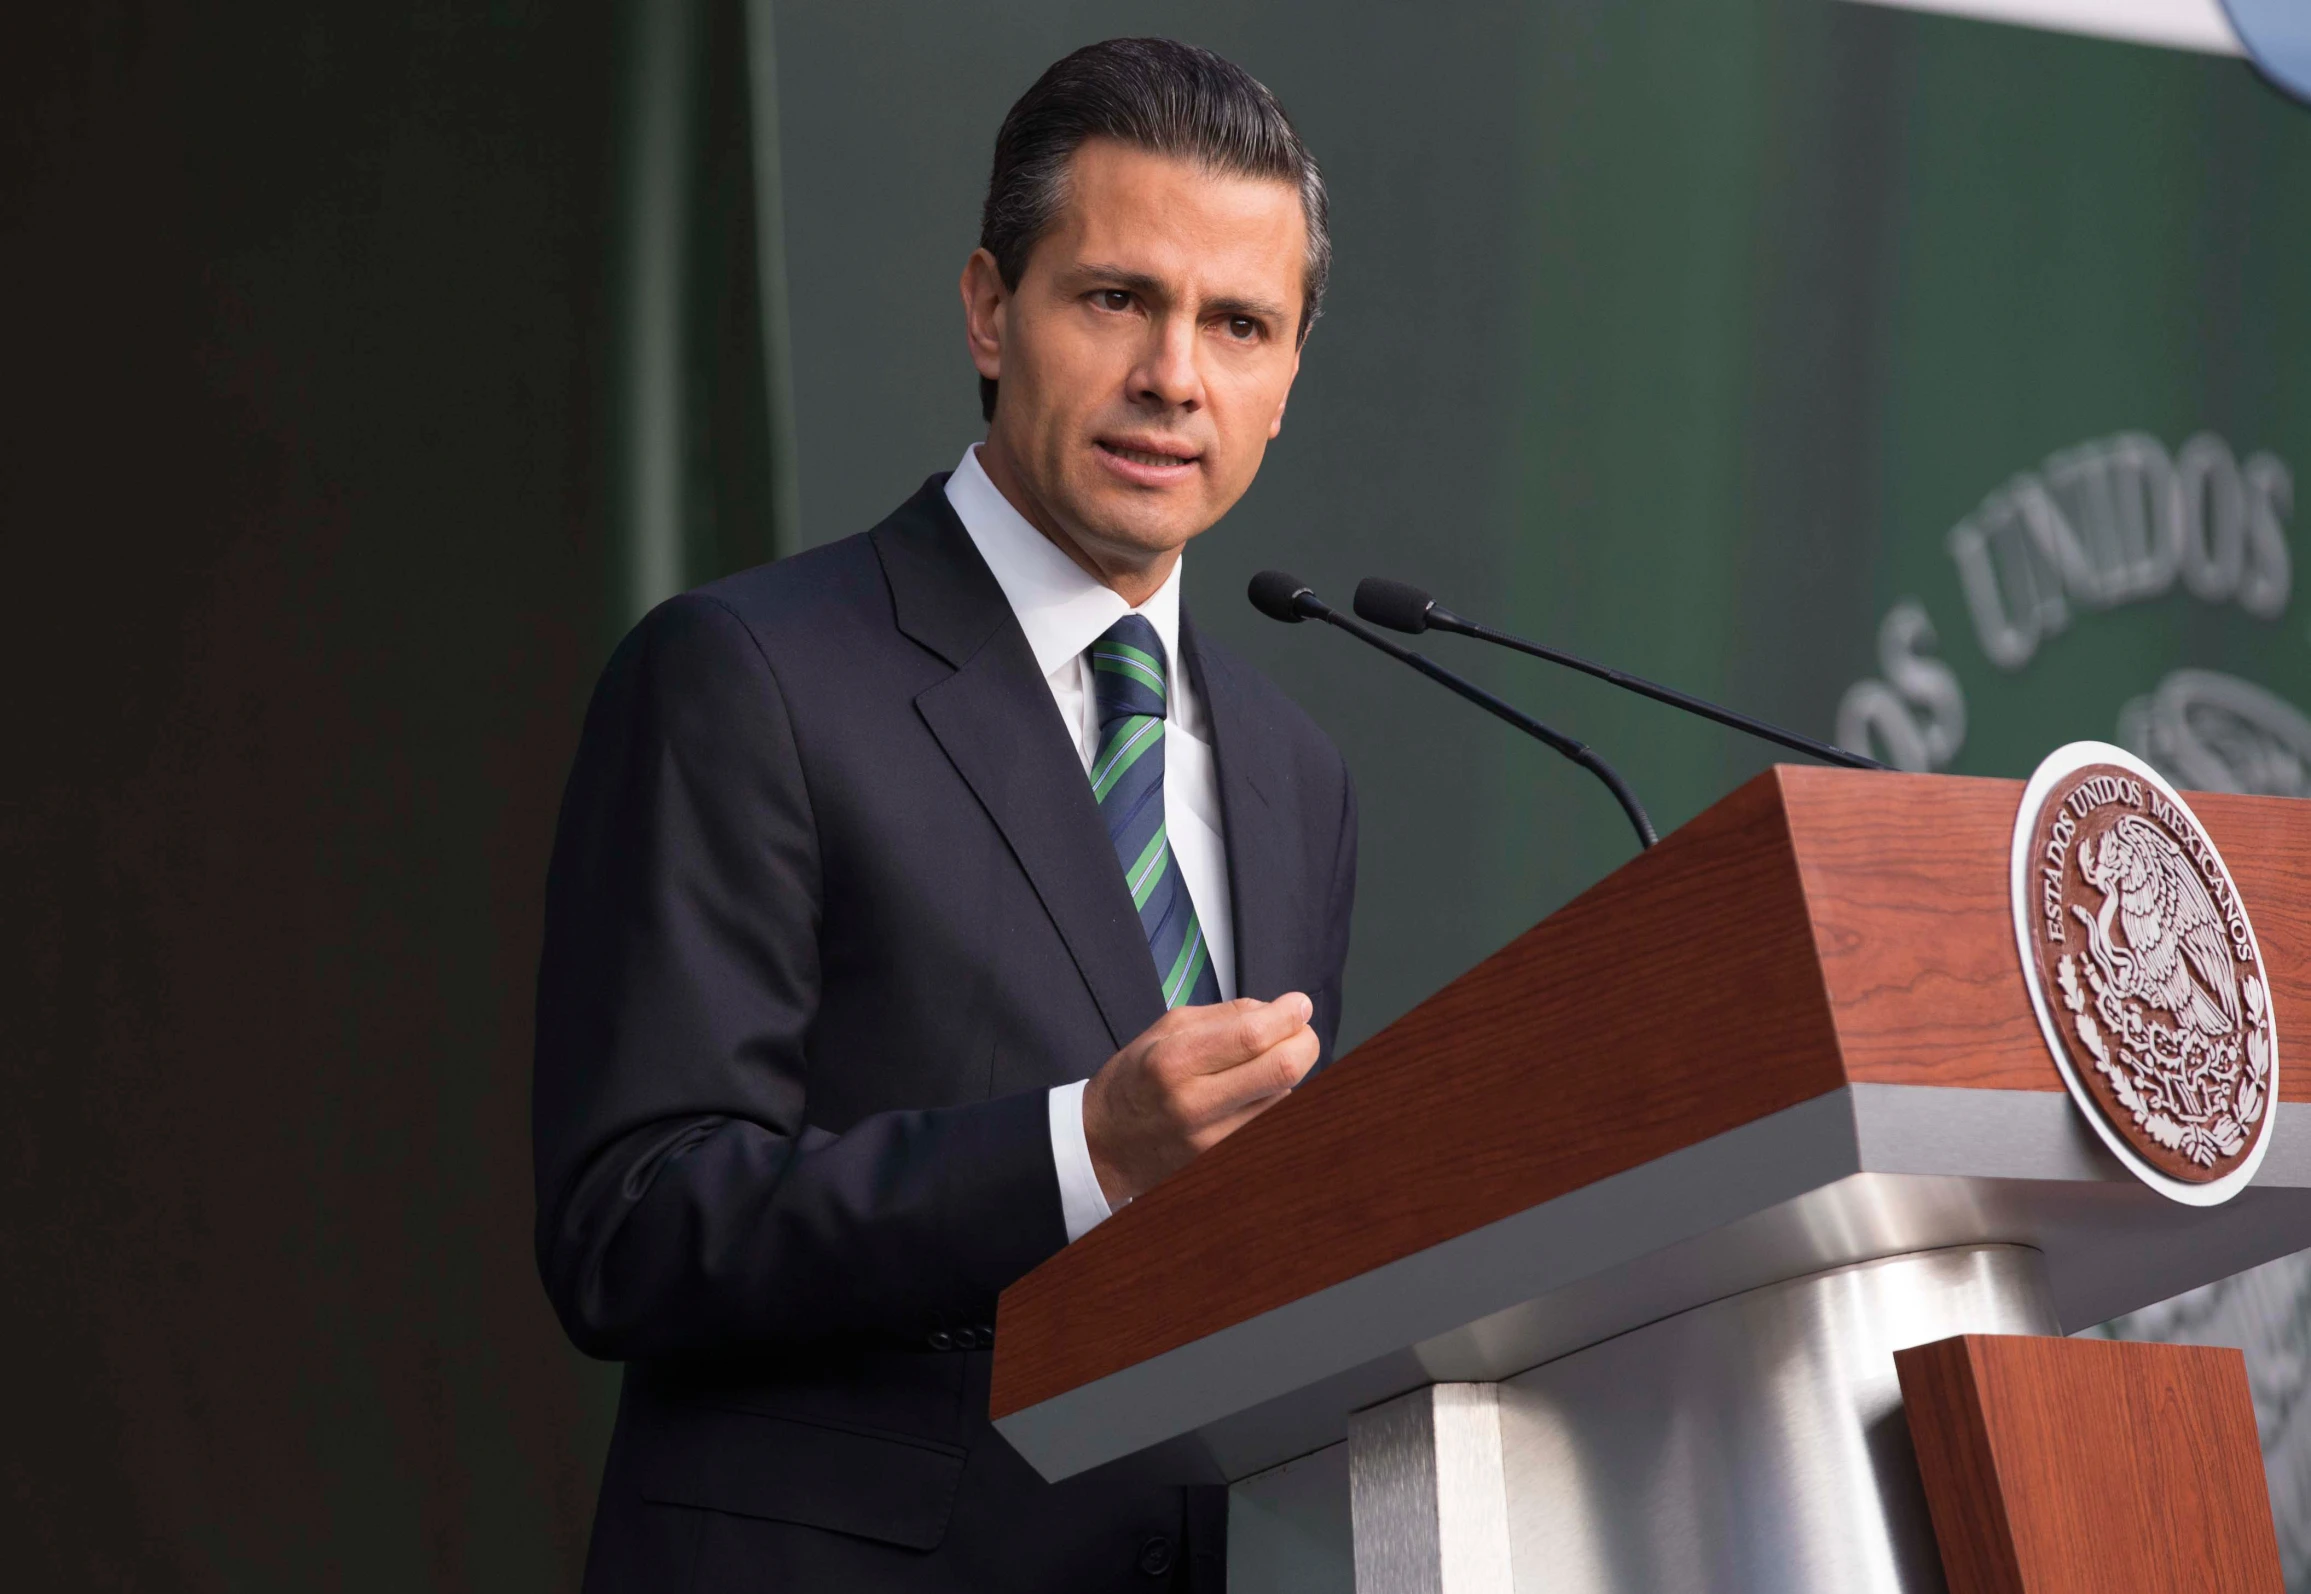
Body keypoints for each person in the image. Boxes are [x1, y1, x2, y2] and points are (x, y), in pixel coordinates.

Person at [532, 36, 1356, 1592]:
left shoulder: (1291, 770)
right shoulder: (746, 673)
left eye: (1237, 324)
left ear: (1285, 379)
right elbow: (629, 1224)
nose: (1174, 375)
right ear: (991, 307)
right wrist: (1074, 1151)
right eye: (1116, 298)